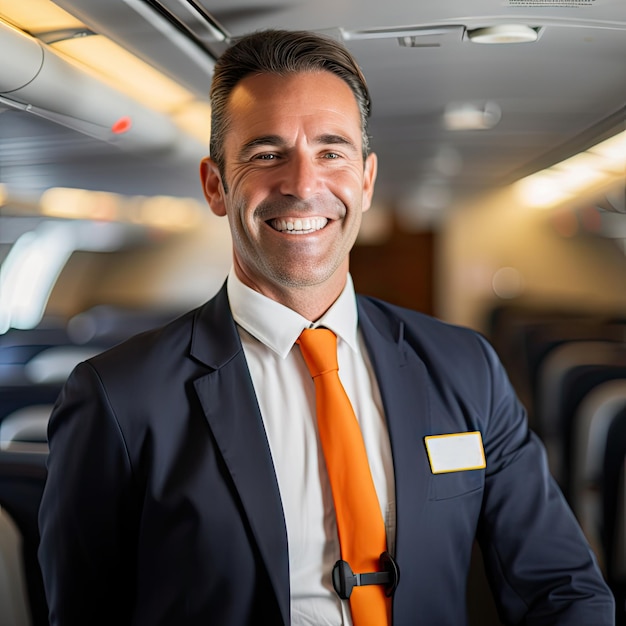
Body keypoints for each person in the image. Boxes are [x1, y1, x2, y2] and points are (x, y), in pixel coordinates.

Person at [38, 29, 615, 625]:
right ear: (215, 185)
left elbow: (562, 587)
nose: (303, 185)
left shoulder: (465, 367)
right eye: (266, 154)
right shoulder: (119, 397)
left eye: (331, 151)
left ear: (365, 181)